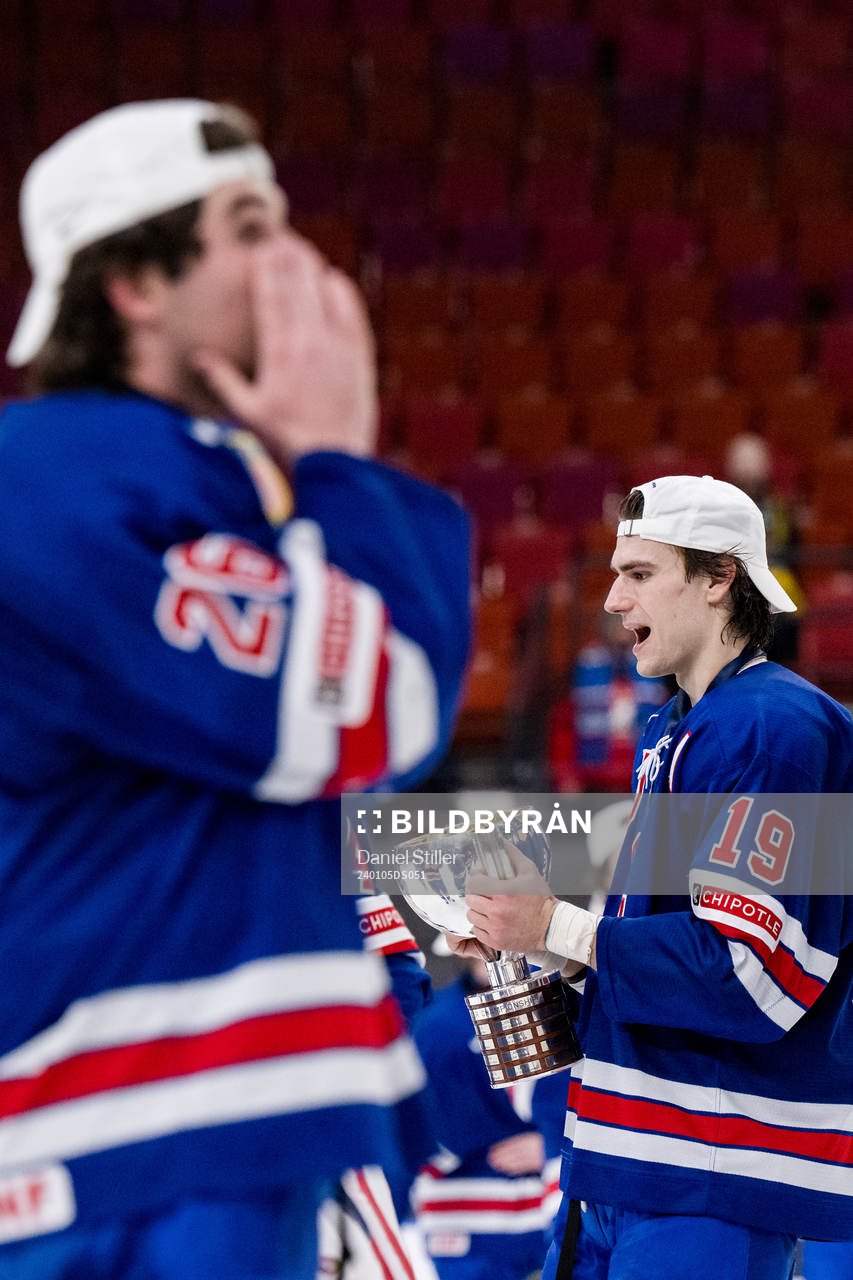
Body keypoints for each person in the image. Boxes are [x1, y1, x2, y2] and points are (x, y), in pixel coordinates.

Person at [0, 100, 472, 1278]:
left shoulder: (186, 475)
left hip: (173, 1127)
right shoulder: (47, 479)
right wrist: (342, 460)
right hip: (137, 1132)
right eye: (248, 225)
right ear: (137, 283)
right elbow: (376, 702)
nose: (296, 263)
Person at [447, 474, 853, 1280]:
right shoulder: (683, 727)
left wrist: (556, 928)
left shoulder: (773, 726)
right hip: (630, 1164)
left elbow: (751, 972)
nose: (611, 600)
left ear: (717, 578)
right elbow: (672, 962)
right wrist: (543, 947)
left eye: (638, 574)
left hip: (707, 1174)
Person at [411, 949, 566, 1280]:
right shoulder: (436, 1029)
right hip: (469, 1226)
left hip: (551, 1213)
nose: (491, 949)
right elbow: (420, 1135)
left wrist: (555, 1141)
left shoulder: (564, 999)